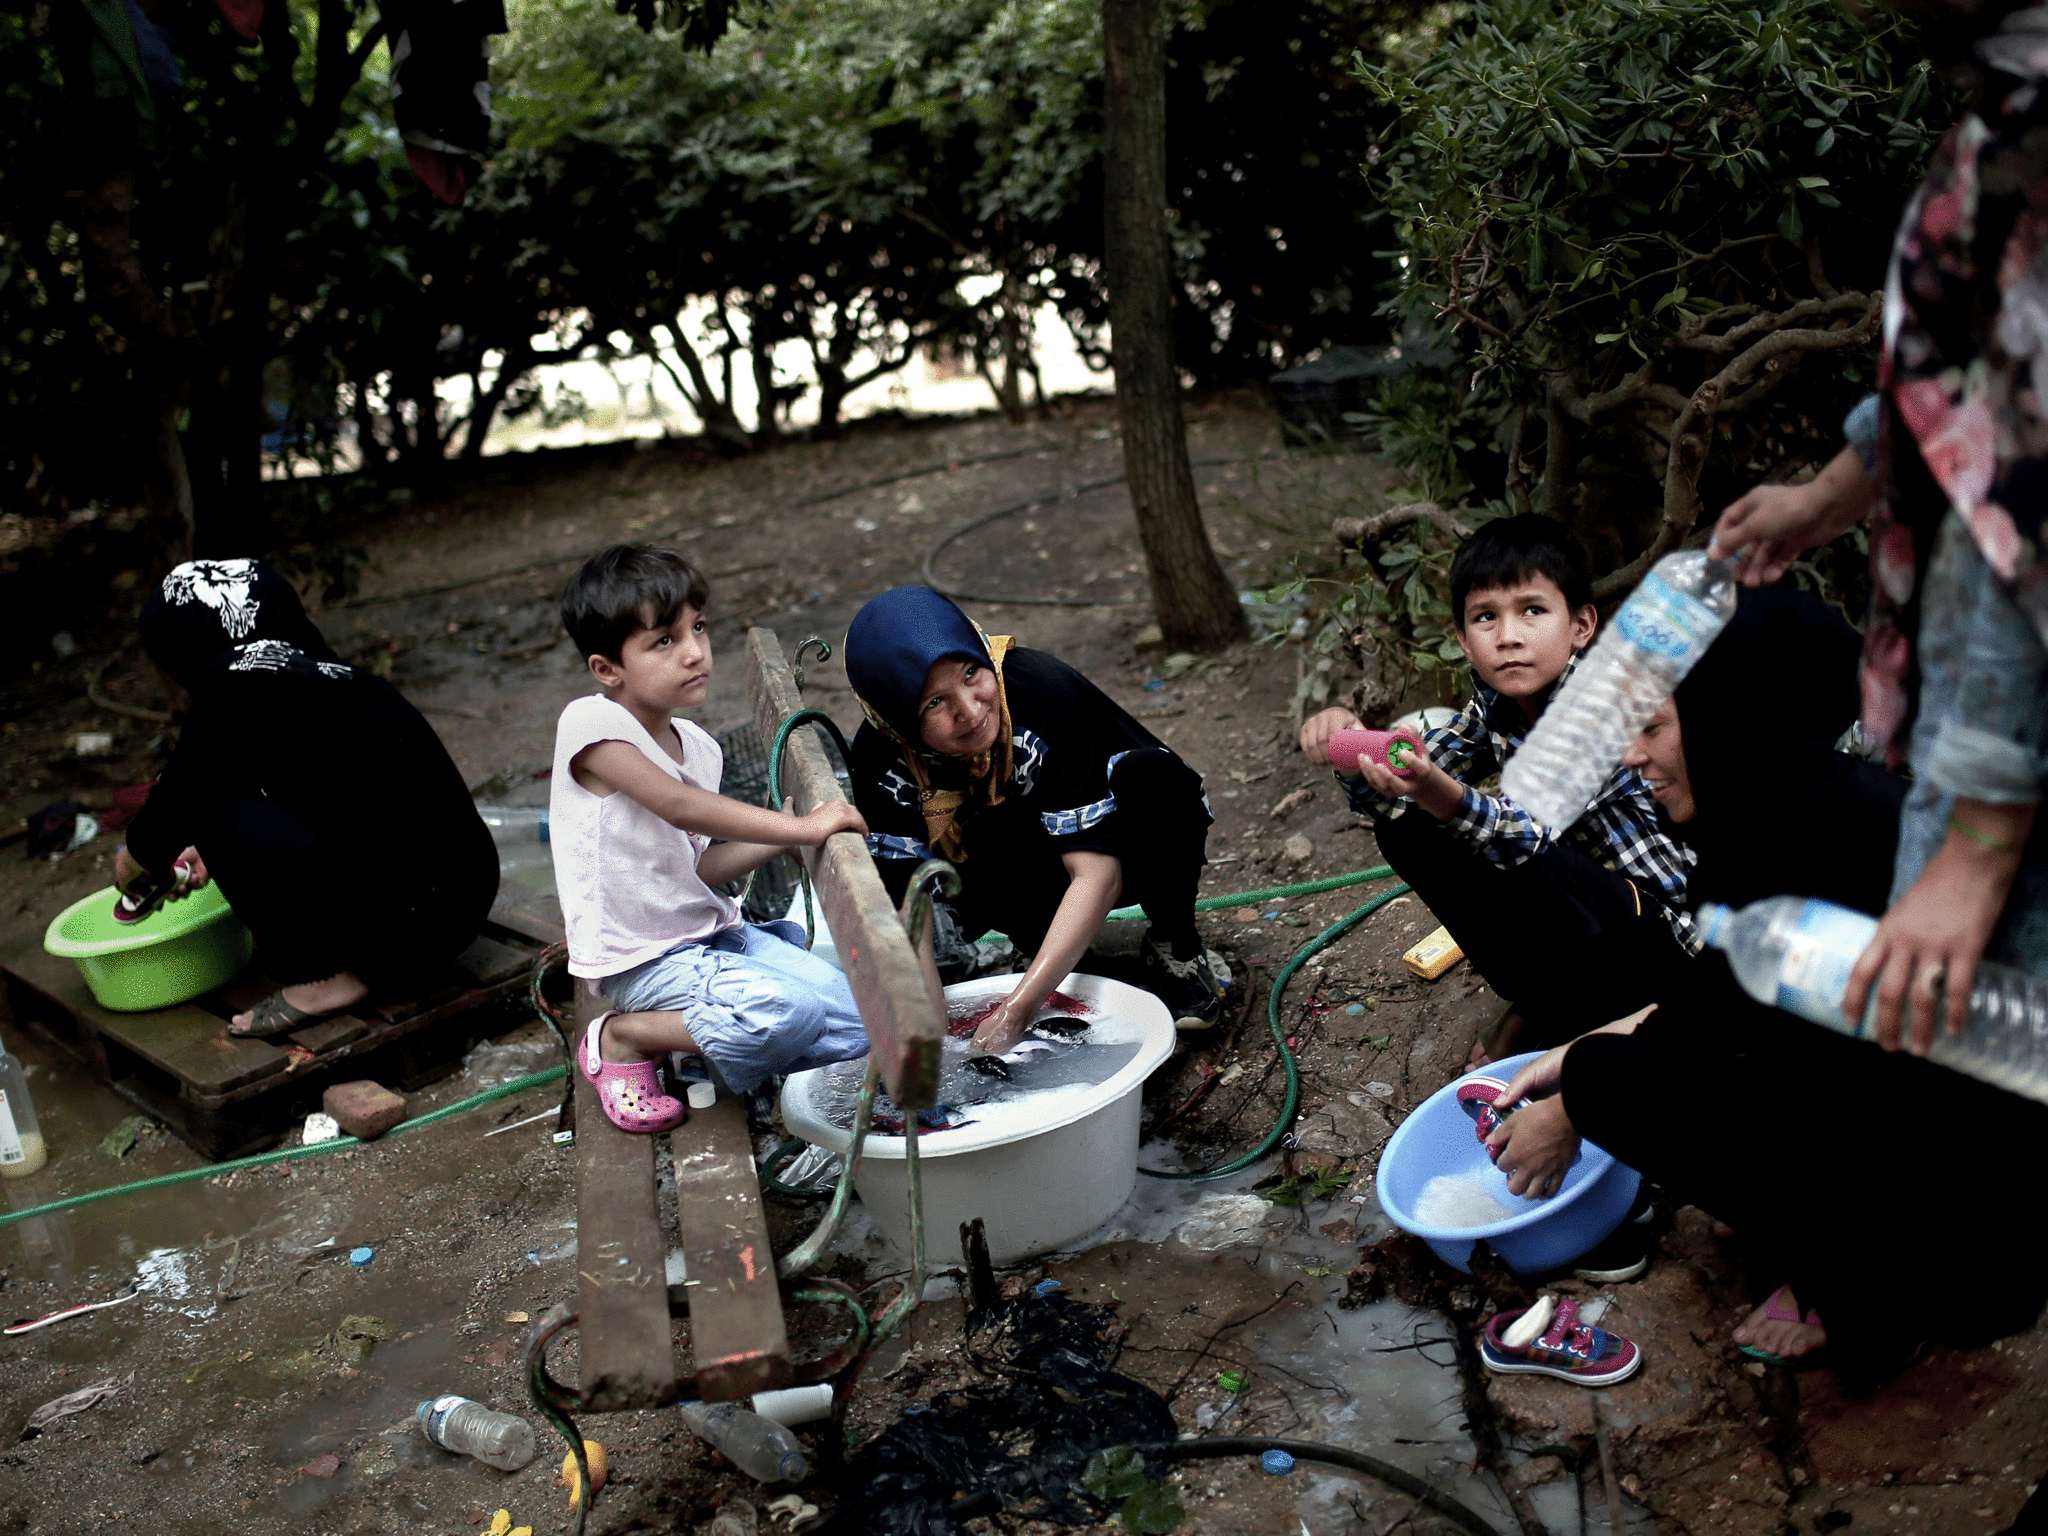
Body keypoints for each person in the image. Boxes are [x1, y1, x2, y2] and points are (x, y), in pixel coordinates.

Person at [1299, 514, 1696, 1064]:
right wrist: (1350, 748)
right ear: (1463, 639)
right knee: (1407, 830)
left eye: (1533, 611)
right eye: (1486, 618)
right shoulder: (1495, 703)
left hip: (1665, 938)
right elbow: (1412, 768)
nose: (1508, 637)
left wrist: (1432, 786)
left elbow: (1525, 834)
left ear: (1581, 626)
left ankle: (1582, 1022)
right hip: (1587, 920)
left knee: (1522, 853)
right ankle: (1543, 1000)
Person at [553, 545, 869, 1134]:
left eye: (698, 628)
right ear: (607, 669)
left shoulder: (699, 748)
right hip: (641, 960)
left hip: (713, 936)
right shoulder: (592, 726)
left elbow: (697, 868)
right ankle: (621, 1037)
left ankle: (712, 1034)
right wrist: (798, 827)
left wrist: (787, 838)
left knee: (860, 1022)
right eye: (663, 641)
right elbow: (678, 807)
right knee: (788, 1012)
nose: (696, 651)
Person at [117, 558, 499, 1037]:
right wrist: (220, 851)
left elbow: (166, 821)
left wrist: (131, 866)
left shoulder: (228, 701)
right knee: (220, 795)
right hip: (462, 899)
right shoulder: (332, 679)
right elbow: (319, 798)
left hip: (405, 937)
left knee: (206, 800)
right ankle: (354, 955)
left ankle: (324, 981)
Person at [841, 586, 1221, 1051]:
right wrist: (933, 1040)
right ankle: (1050, 952)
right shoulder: (880, 761)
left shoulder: (1038, 690)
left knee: (1153, 779)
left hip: (1119, 841)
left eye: (970, 673)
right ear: (897, 720)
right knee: (973, 815)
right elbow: (909, 908)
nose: (969, 708)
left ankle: (1176, 946)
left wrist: (1016, 1010)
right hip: (1001, 874)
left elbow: (1098, 873)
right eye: (933, 704)